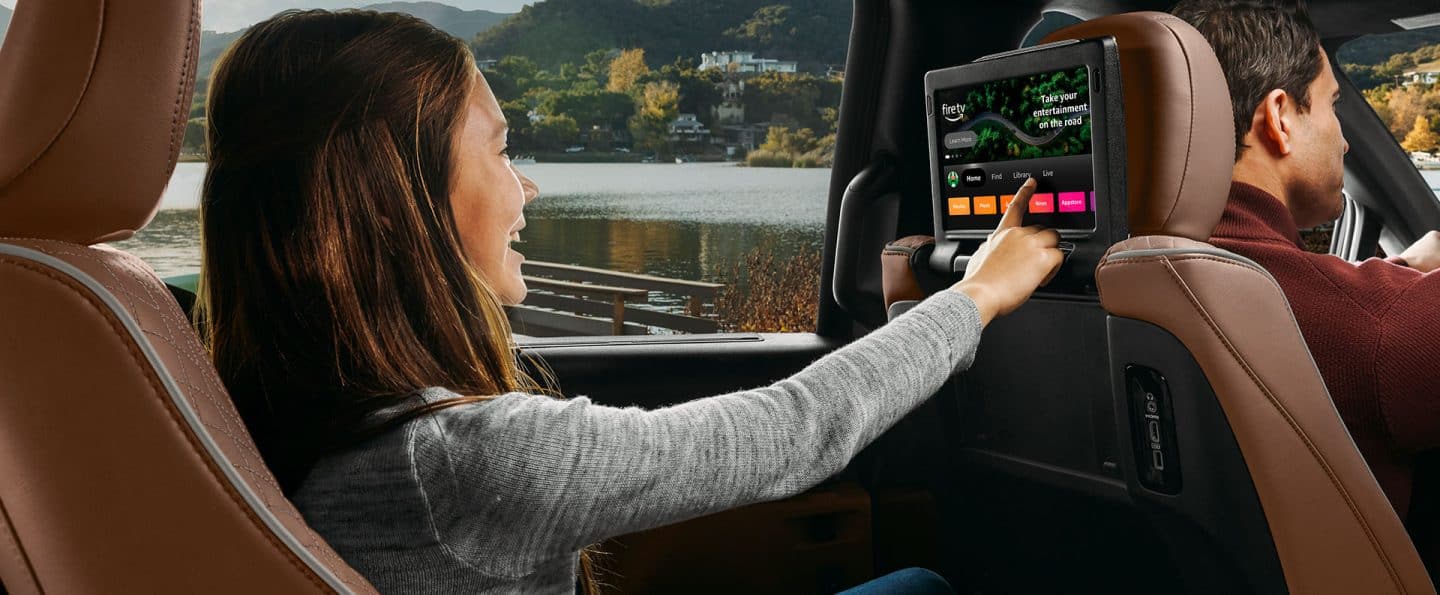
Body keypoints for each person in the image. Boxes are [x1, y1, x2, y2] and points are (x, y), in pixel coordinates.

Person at [196, 9, 1063, 594]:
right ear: (399, 201)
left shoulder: (254, 394)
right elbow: (794, 431)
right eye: (500, 152)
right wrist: (979, 292)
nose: (526, 186)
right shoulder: (458, 460)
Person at [1171, 0, 1440, 544]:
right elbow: (1359, 332)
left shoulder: (1138, 270)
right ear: (1278, 118)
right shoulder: (1382, 332)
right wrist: (1395, 296)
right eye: (1332, 104)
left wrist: (1394, 274)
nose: (1343, 139)